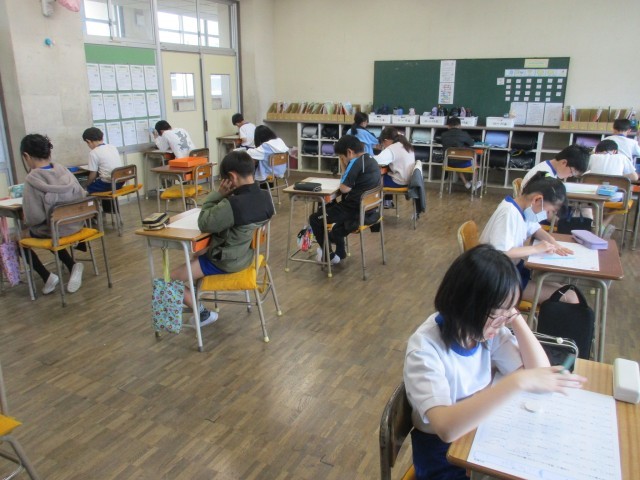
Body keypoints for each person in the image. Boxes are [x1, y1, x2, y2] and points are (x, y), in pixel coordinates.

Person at [404, 244, 586, 480]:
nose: (502, 322)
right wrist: (517, 382)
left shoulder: (486, 331)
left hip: (478, 438)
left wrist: (514, 317)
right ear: (465, 304)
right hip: (442, 459)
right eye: (496, 313)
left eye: (508, 312)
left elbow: (540, 373)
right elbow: (447, 428)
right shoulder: (425, 350)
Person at [171, 150, 274, 326]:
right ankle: (196, 291)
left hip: (226, 261)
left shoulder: (233, 204)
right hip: (246, 255)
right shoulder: (265, 196)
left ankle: (203, 314)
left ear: (232, 177)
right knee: (198, 253)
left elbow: (204, 223)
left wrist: (218, 194)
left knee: (170, 278)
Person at [479, 172, 579, 304]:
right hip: (497, 281)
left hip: (510, 273)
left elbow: (536, 229)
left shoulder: (524, 210)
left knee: (566, 289)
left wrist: (554, 243)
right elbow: (502, 252)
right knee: (570, 296)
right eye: (549, 211)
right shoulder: (509, 213)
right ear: (537, 200)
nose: (548, 216)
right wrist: (537, 249)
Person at [21, 134, 86, 294]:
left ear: (26, 156)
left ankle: (47, 276)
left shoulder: (32, 180)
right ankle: (72, 265)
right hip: (76, 224)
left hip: (57, 229)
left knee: (17, 238)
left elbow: (35, 218)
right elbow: (82, 195)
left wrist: (25, 221)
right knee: (51, 227)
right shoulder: (64, 171)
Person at [308, 135, 381, 265]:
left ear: (349, 152)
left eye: (341, 157)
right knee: (331, 211)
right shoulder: (370, 159)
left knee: (315, 219)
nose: (342, 160)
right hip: (369, 209)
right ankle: (340, 252)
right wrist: (344, 161)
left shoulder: (355, 163)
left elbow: (344, 188)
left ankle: (328, 255)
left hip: (353, 209)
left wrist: (345, 163)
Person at [81, 127, 124, 211]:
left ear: (88, 141)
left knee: (85, 191)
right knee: (100, 180)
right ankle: (110, 211)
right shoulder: (112, 147)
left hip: (109, 184)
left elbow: (93, 175)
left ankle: (93, 215)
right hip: (120, 182)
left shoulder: (93, 153)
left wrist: (85, 185)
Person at [374, 126, 415, 208]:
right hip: (409, 180)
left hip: (400, 182)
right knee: (386, 174)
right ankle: (387, 201)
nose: (383, 146)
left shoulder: (392, 148)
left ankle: (372, 207)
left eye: (382, 144)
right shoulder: (405, 144)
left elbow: (376, 161)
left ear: (386, 140)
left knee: (373, 180)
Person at [521, 144, 590, 188]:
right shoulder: (544, 174)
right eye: (572, 172)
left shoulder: (548, 167)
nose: (570, 176)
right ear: (564, 162)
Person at [440, 116, 480, 191]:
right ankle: (474, 184)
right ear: (459, 125)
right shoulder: (464, 134)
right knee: (474, 163)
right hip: (462, 162)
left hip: (448, 162)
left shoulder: (443, 135)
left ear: (448, 126)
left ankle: (466, 183)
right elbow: (472, 143)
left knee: (456, 162)